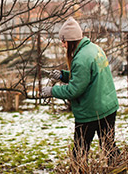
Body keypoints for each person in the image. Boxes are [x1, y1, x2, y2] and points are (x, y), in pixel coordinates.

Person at [41, 17, 120, 164]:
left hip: (91, 112)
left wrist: (52, 91)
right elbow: (85, 78)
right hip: (107, 107)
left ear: (71, 41)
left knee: (80, 152)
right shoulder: (94, 49)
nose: (63, 45)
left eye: (64, 42)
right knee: (109, 147)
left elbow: (74, 90)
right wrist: (63, 75)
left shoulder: (81, 58)